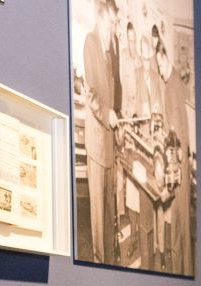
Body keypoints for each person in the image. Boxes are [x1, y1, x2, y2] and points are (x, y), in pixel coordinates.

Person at [82, 0, 118, 263]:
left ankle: (109, 262)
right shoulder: (90, 42)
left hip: (110, 141)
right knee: (97, 213)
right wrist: (108, 114)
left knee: (109, 207)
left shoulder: (110, 49)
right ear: (100, 18)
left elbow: (113, 93)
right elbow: (92, 93)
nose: (112, 30)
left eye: (113, 25)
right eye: (110, 24)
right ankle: (97, 260)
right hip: (96, 142)